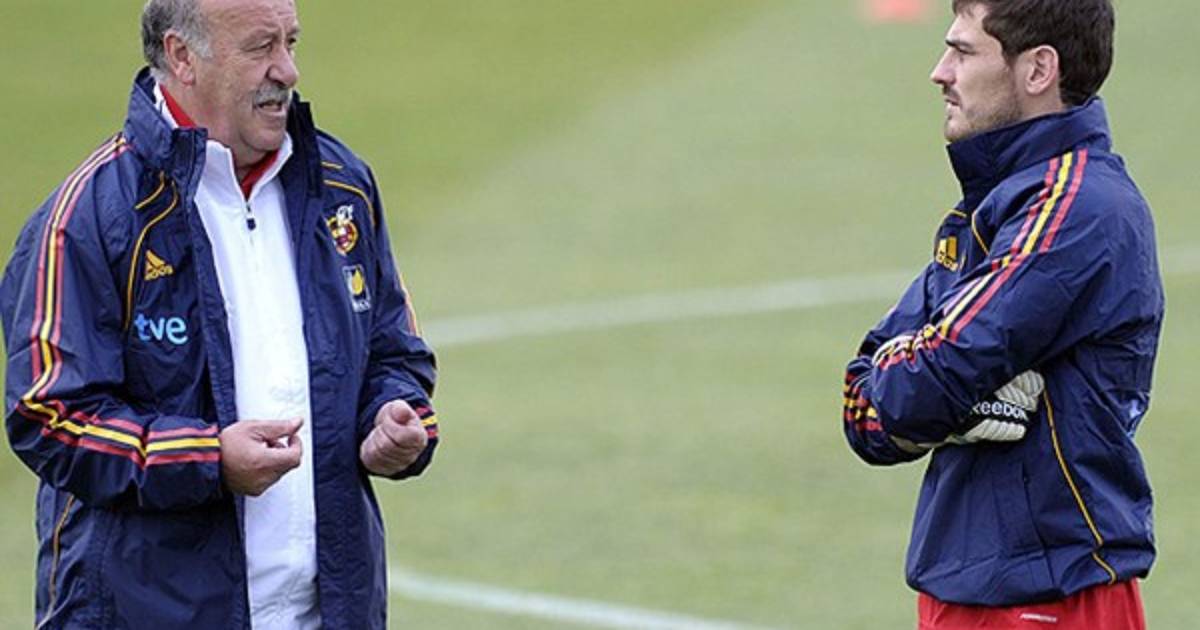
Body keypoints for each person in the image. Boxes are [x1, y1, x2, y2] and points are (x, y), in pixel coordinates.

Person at [0, 0, 439, 627]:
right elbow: (49, 416)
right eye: (260, 47)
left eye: (290, 42)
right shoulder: (90, 216)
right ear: (182, 56)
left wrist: (392, 417)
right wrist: (208, 459)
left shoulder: (341, 185)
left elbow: (394, 351)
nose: (287, 70)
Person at [840, 1, 1161, 628]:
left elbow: (911, 391)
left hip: (1047, 598)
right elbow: (865, 407)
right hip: (974, 585)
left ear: (1038, 69)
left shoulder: (1078, 208)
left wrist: (935, 390)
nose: (940, 72)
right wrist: (953, 394)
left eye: (963, 51)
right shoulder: (997, 206)